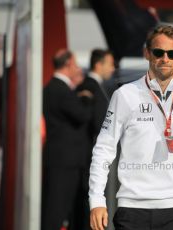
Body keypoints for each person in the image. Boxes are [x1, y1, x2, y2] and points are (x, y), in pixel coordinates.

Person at [89, 25, 173, 230]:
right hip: (132, 208)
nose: (165, 58)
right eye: (158, 52)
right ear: (147, 53)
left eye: (172, 53)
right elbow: (103, 149)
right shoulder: (124, 95)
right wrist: (96, 200)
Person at [42, 49, 92, 230]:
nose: (78, 69)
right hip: (65, 161)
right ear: (68, 64)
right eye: (76, 64)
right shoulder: (61, 90)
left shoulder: (51, 88)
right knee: (57, 209)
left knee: (59, 207)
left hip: (60, 158)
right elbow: (83, 115)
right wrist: (86, 99)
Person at [75, 49, 115, 230]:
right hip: (89, 155)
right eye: (110, 64)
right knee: (86, 205)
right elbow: (97, 124)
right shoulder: (89, 86)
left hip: (91, 154)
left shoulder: (96, 86)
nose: (113, 68)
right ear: (98, 65)